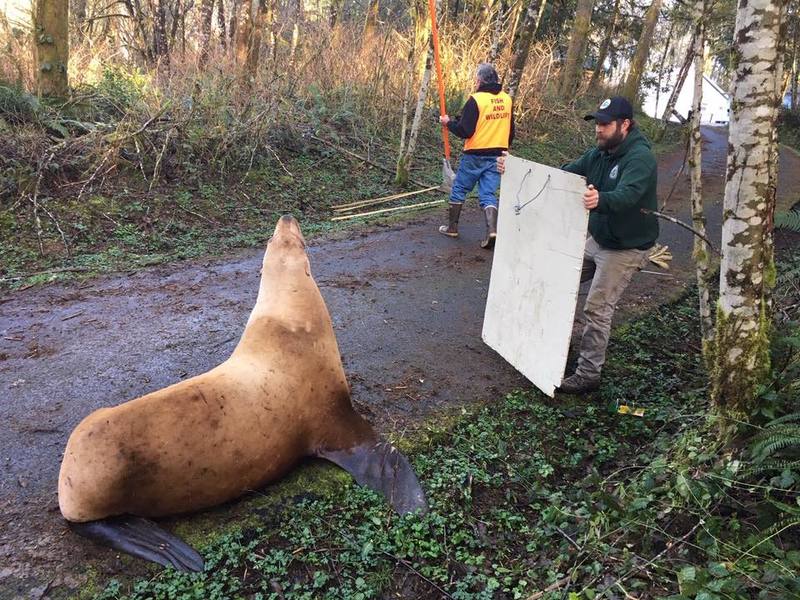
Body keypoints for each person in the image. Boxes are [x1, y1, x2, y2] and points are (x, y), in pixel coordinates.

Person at [498, 96, 658, 394]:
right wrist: (516, 169)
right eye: (597, 124)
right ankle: (541, 341)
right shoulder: (599, 154)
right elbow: (562, 174)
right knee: (553, 277)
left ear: (625, 124)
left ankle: (588, 374)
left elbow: (629, 194)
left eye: (605, 124)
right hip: (598, 238)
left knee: (597, 307)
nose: (599, 130)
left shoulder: (640, 158)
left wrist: (602, 200)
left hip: (627, 246)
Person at [438, 63, 514, 250]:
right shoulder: (507, 99)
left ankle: (452, 227)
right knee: (488, 194)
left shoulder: (476, 99)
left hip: (475, 155)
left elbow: (465, 130)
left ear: (480, 80)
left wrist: (448, 123)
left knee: (459, 189)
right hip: (498, 154)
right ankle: (492, 230)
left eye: (476, 79)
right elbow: (511, 130)